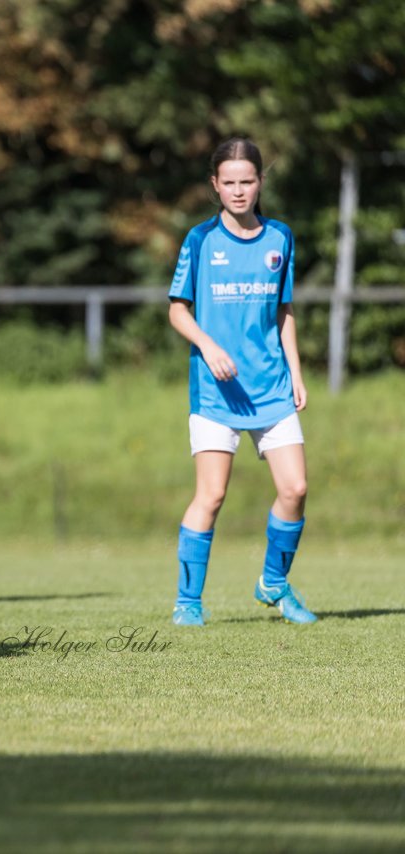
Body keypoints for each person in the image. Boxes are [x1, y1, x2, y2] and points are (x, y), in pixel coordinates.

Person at [167, 137, 315, 627]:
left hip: (270, 386)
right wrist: (208, 346)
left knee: (295, 488)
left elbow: (284, 312)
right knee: (211, 496)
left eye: (246, 181)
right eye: (228, 182)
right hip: (215, 392)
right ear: (214, 185)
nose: (238, 191)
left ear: (260, 183)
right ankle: (188, 602)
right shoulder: (200, 240)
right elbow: (177, 310)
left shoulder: (280, 238)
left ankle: (273, 583)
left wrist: (295, 371)